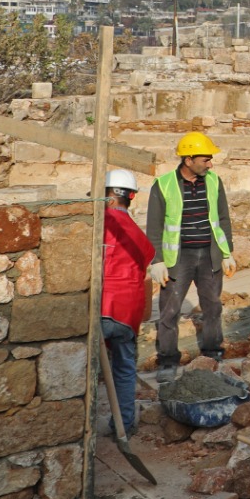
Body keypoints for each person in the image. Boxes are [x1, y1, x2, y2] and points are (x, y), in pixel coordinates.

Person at [146, 132, 234, 378]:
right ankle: (167, 361)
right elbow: (154, 227)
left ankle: (213, 354)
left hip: (209, 254)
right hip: (178, 258)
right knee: (169, 310)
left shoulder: (214, 182)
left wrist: (227, 253)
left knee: (213, 306)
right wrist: (158, 260)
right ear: (189, 160)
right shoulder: (163, 185)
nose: (210, 164)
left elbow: (223, 219)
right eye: (205, 159)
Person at [102, 170, 154, 434]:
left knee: (84, 371)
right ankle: (122, 426)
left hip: (100, 309)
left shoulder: (98, 224)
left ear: (107, 194)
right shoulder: (138, 235)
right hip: (127, 315)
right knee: (124, 370)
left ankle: (79, 430)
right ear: (131, 197)